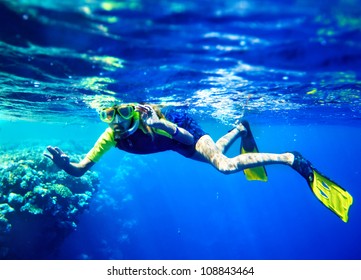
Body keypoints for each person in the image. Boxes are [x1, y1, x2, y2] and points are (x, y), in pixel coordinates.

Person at [45, 103, 353, 222]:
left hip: (182, 132)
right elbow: (82, 168)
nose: (116, 120)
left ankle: (290, 158)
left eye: (122, 112)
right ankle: (240, 128)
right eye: (107, 114)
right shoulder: (111, 136)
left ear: (135, 111)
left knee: (224, 165)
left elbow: (191, 142)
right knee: (215, 155)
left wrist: (163, 126)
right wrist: (66, 167)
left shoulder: (155, 120)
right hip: (172, 145)